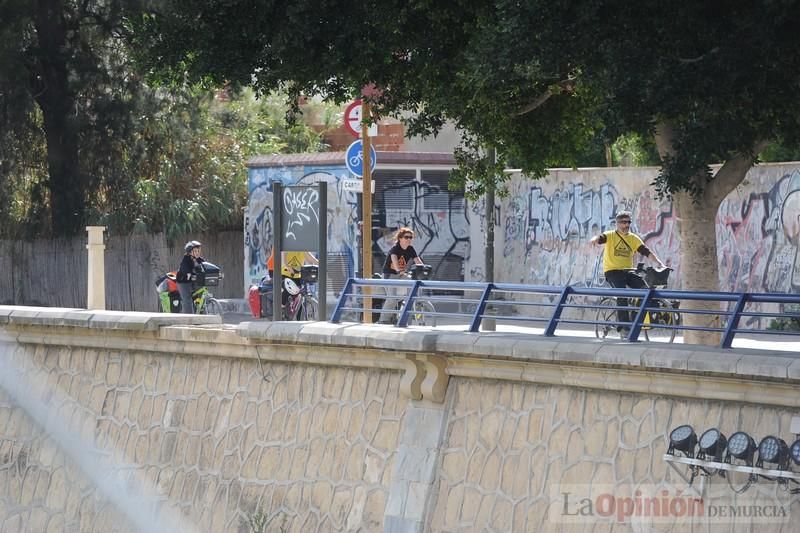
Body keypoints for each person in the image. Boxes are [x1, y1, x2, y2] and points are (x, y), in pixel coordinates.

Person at [589, 211, 666, 338]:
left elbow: (646, 252)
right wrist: (594, 239)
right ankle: (624, 327)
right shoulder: (611, 235)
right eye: (623, 222)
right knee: (622, 294)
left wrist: (659, 263)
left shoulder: (633, 238)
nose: (626, 225)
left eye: (628, 222)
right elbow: (601, 238)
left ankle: (635, 320)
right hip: (612, 272)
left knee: (646, 291)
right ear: (617, 224)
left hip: (628, 271)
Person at [378, 227, 424, 324]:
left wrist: (424, 269)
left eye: (411, 237)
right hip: (389, 275)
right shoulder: (395, 249)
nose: (409, 239)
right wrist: (398, 270)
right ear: (400, 238)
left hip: (401, 274)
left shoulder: (410, 249)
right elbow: (394, 260)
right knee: (392, 298)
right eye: (406, 237)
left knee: (411, 286)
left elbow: (418, 261)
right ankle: (383, 320)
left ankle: (406, 315)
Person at [176, 240, 204, 314]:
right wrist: (188, 273)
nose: (198, 252)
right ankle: (189, 318)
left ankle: (200, 311)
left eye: (199, 251)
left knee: (201, 293)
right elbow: (184, 268)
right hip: (183, 282)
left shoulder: (199, 260)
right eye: (196, 251)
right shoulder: (186, 259)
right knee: (187, 300)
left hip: (193, 281)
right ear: (190, 252)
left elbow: (205, 266)